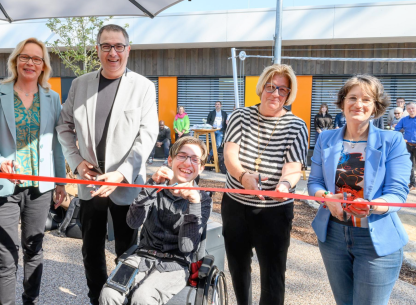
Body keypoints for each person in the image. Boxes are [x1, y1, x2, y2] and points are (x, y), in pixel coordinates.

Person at [56, 24, 158, 305]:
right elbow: (63, 127)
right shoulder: (80, 84)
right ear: (97, 50)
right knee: (91, 249)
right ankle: (97, 298)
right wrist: (76, 163)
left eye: (118, 46)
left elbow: (147, 136)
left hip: (125, 184)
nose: (112, 53)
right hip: (90, 182)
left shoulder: (144, 87)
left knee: (128, 250)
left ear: (128, 49)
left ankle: (122, 298)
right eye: (106, 46)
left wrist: (122, 174)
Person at [0, 37, 67, 304]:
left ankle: (31, 300)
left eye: (37, 58)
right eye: (25, 57)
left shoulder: (52, 98)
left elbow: (57, 145)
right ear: (16, 61)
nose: (30, 62)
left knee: (34, 249)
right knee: (6, 255)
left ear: (43, 66)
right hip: (2, 187)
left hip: (39, 189)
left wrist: (59, 182)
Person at [308, 75, 410, 305]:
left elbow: (397, 192)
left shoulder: (392, 140)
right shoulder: (325, 139)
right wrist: (326, 198)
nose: (358, 104)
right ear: (343, 102)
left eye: (366, 99)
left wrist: (373, 205)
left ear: (376, 106)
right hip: (333, 236)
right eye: (352, 97)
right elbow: (314, 183)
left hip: (375, 240)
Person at [222, 64, 308, 304]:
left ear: (289, 94)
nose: (276, 94)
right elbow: (230, 155)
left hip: (274, 211)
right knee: (238, 268)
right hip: (236, 206)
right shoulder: (240, 116)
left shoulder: (297, 125)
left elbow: (293, 168)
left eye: (283, 89)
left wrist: (284, 187)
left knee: (273, 274)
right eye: (271, 87)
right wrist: (243, 177)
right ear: (261, 88)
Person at [99, 136, 212, 305]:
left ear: (201, 168)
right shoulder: (155, 186)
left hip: (176, 264)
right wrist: (151, 185)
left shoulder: (202, 199)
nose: (188, 163)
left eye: (195, 159)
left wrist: (193, 203)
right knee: (109, 294)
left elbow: (187, 247)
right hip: (142, 256)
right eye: (182, 156)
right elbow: (133, 223)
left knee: (143, 298)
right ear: (170, 160)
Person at [395, 102, 416, 191]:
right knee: (410, 165)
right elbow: (396, 130)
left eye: (412, 108)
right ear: (406, 110)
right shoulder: (404, 120)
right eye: (409, 109)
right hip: (408, 145)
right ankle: (413, 183)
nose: (411, 110)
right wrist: (401, 138)